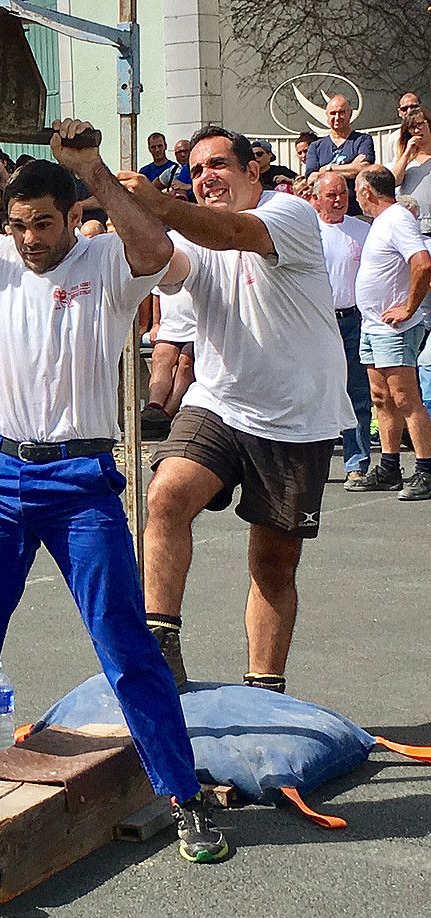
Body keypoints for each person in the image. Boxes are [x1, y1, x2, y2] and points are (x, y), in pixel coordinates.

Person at [0, 111, 229, 864]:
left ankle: (185, 797)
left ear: (74, 217)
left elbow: (158, 248)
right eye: (18, 225)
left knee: (127, 645)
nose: (30, 239)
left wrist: (95, 167)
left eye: (43, 224)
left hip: (80, 483)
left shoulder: (105, 262)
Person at [118, 126, 353, 698]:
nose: (206, 178)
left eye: (218, 164)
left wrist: (161, 204)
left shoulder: (289, 214)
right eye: (196, 171)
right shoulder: (195, 233)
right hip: (219, 402)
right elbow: (163, 262)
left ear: (254, 170)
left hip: (297, 416)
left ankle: (265, 689)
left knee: (273, 562)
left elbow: (232, 234)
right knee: (166, 492)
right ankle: (161, 643)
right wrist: (101, 182)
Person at [344, 166, 431, 500]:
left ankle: (425, 469)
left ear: (367, 192)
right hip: (373, 326)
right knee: (381, 397)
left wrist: (408, 308)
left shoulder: (397, 218)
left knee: (406, 398)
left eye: (357, 191)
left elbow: (422, 263)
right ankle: (390, 467)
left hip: (394, 328)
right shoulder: (382, 221)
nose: (356, 198)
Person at [312, 173, 374, 486]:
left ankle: (357, 463)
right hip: (317, 323)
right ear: (316, 199)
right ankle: (312, 465)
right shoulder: (308, 232)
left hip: (354, 320)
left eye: (343, 194)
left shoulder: (363, 231)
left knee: (357, 395)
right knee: (315, 394)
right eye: (331, 195)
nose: (338, 200)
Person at [141, 274, 197, 439]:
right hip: (171, 326)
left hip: (197, 328)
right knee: (160, 356)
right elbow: (156, 293)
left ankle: (166, 415)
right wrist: (156, 323)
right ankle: (154, 407)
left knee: (186, 362)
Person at [304, 94, 375, 216]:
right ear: (327, 116)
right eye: (333, 113)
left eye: (341, 112)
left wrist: (328, 169)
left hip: (357, 212)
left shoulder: (363, 140)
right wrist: (352, 166)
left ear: (350, 114)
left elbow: (363, 169)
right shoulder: (316, 146)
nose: (337, 117)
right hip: (326, 215)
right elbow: (311, 179)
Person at [390, 104, 431, 235]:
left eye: (419, 124)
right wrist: (407, 153)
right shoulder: (406, 158)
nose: (416, 131)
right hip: (411, 224)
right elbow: (394, 181)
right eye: (411, 128)